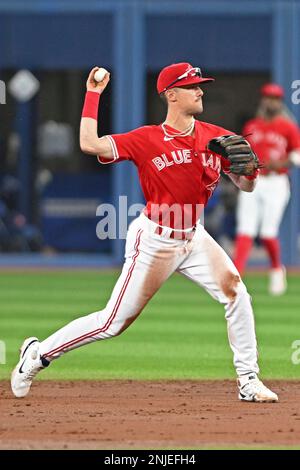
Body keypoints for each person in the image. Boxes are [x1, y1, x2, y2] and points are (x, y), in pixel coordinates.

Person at [11, 63, 278, 403]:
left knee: (237, 294)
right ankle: (38, 354)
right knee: (112, 322)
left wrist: (249, 173)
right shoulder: (147, 139)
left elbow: (245, 185)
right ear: (171, 95)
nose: (200, 90)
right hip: (155, 239)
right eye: (192, 86)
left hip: (194, 236)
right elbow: (89, 144)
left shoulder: (216, 135)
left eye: (200, 85)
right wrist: (93, 94)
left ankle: (248, 379)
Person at [233, 83, 300, 295]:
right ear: (263, 100)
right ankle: (236, 277)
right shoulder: (252, 125)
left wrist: (281, 163)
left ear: (279, 102)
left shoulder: (288, 126)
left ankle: (275, 270)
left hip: (277, 181)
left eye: (275, 98)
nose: (271, 101)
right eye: (267, 97)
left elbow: (297, 155)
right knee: (245, 229)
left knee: (268, 232)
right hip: (255, 180)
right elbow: (242, 153)